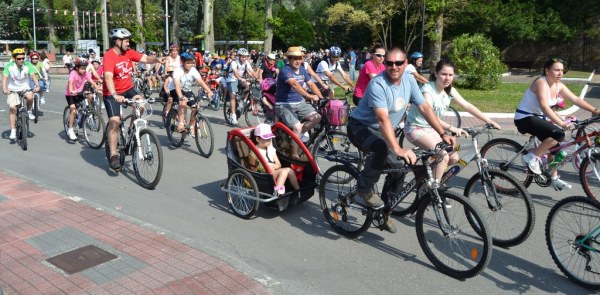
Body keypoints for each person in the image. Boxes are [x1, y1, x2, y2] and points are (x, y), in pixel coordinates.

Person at [347, 47, 455, 233]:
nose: (394, 67)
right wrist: (397, 148)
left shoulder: (409, 80)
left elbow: (424, 108)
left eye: (399, 63)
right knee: (381, 149)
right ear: (385, 64)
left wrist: (443, 132)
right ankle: (363, 190)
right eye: (389, 63)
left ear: (406, 63)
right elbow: (382, 119)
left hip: (381, 130)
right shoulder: (378, 85)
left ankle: (384, 211)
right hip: (360, 127)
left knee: (399, 167)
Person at [404, 58, 500, 184]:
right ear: (436, 74)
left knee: (454, 157)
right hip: (416, 128)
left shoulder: (449, 91)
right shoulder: (427, 90)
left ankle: (425, 177)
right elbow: (430, 116)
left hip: (431, 129)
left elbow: (467, 105)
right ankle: (434, 192)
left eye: (450, 75)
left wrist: (489, 120)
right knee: (442, 156)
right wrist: (452, 128)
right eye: (444, 74)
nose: (447, 78)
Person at [515, 57, 600, 190]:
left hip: (538, 119)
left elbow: (575, 99)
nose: (560, 73)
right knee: (558, 134)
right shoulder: (540, 83)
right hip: (524, 118)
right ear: (547, 70)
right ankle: (532, 157)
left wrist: (594, 110)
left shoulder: (558, 85)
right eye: (556, 70)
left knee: (556, 148)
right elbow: (544, 107)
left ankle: (553, 178)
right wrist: (562, 123)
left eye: (562, 70)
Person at [103, 28, 166, 171]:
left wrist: (157, 59)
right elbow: (108, 77)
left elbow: (145, 58)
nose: (128, 43)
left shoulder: (129, 53)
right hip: (112, 92)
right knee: (115, 122)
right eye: (126, 41)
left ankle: (132, 130)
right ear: (117, 41)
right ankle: (113, 155)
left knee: (141, 104)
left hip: (128, 88)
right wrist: (114, 95)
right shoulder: (109, 56)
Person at [275, 46, 324, 155]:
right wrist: (309, 96)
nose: (297, 61)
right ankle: (294, 154)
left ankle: (296, 137)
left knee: (317, 117)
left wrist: (321, 97)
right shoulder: (285, 70)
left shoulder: (302, 69)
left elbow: (311, 84)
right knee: (297, 127)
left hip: (299, 103)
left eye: (299, 58)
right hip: (284, 104)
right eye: (294, 58)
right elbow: (294, 84)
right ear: (289, 59)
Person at [248, 123, 300, 210]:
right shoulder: (254, 152)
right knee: (284, 171)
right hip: (263, 175)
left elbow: (279, 164)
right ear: (257, 139)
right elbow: (252, 168)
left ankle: (298, 190)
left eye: (270, 138)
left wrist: (274, 166)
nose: (269, 141)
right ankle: (278, 194)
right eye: (266, 139)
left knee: (289, 170)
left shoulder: (271, 150)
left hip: (273, 171)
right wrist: (266, 167)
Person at [169, 52, 213, 135]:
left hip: (186, 89)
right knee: (183, 102)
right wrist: (181, 96)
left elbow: (201, 82)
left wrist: (209, 91)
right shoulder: (178, 71)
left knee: (195, 107)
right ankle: (181, 124)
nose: (190, 65)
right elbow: (176, 85)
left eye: (192, 63)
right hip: (175, 89)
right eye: (188, 63)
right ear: (183, 62)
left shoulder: (193, 70)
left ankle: (191, 126)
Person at [2, 48, 39, 140]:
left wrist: (37, 85)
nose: (21, 60)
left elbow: (33, 75)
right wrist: (4, 89)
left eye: (23, 58)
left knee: (30, 97)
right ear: (14, 58)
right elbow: (5, 78)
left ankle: (29, 111)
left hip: (25, 87)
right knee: (12, 108)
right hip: (12, 89)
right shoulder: (9, 66)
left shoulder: (28, 65)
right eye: (19, 58)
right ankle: (13, 131)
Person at [65, 58, 101, 140]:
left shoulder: (86, 73)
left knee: (86, 105)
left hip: (80, 92)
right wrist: (71, 90)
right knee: (73, 110)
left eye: (85, 68)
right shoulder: (73, 73)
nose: (84, 70)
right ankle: (70, 129)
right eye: (82, 68)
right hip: (71, 94)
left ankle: (83, 120)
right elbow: (70, 82)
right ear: (77, 67)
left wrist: (98, 89)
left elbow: (91, 81)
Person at [226, 48, 258, 125]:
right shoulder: (234, 62)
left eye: (246, 57)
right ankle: (233, 116)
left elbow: (252, 71)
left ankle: (242, 102)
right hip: (232, 79)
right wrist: (240, 78)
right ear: (239, 56)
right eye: (242, 57)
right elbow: (235, 72)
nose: (244, 58)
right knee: (233, 95)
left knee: (248, 86)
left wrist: (258, 78)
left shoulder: (246, 62)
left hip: (241, 80)